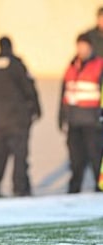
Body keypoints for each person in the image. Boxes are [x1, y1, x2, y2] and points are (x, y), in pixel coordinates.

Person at [0, 37, 41, 198]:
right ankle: (20, 188)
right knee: (20, 156)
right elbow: (28, 87)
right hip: (17, 118)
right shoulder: (16, 64)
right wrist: (36, 109)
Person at [59, 34, 103, 193]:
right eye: (79, 46)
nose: (81, 50)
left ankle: (100, 189)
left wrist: (100, 117)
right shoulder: (71, 66)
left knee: (96, 158)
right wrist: (61, 117)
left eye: (84, 47)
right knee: (76, 160)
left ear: (91, 47)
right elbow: (64, 93)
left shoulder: (99, 65)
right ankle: (74, 191)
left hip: (92, 121)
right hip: (74, 121)